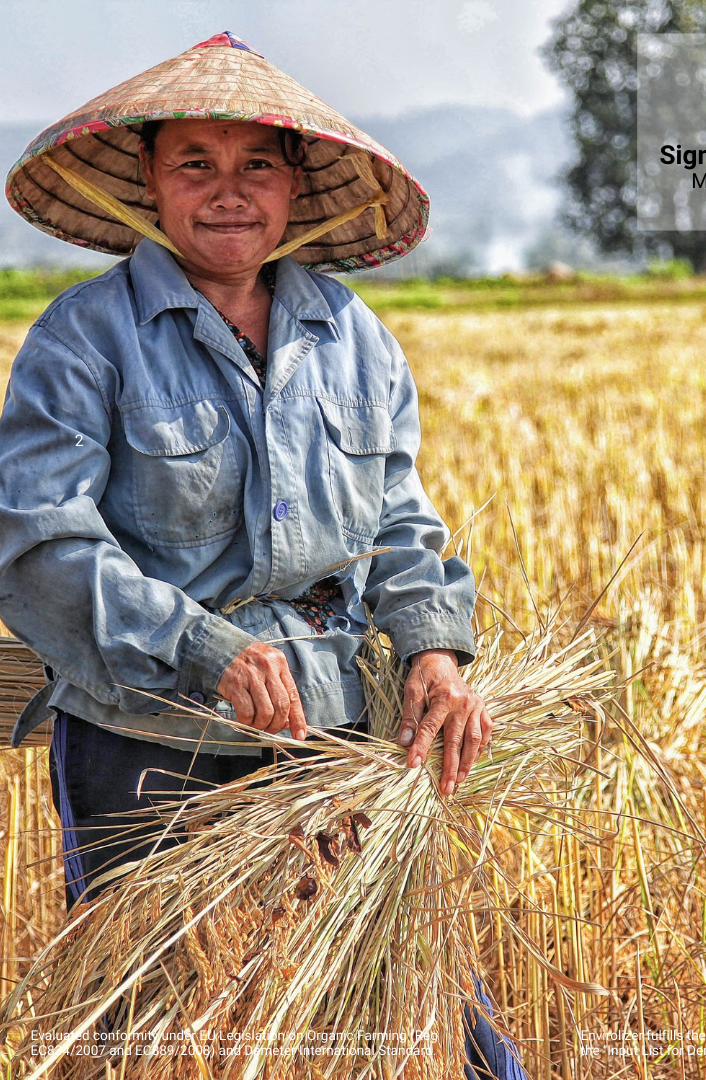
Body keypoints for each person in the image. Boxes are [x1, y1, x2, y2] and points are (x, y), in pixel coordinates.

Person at [0, 32, 526, 1080]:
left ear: (296, 186)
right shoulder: (85, 338)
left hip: (334, 722)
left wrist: (434, 650)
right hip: (148, 735)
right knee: (136, 1023)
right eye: (195, 162)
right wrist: (204, 647)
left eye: (257, 165)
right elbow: (39, 540)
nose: (228, 192)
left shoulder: (353, 335)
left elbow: (399, 522)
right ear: (149, 181)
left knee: (414, 996)